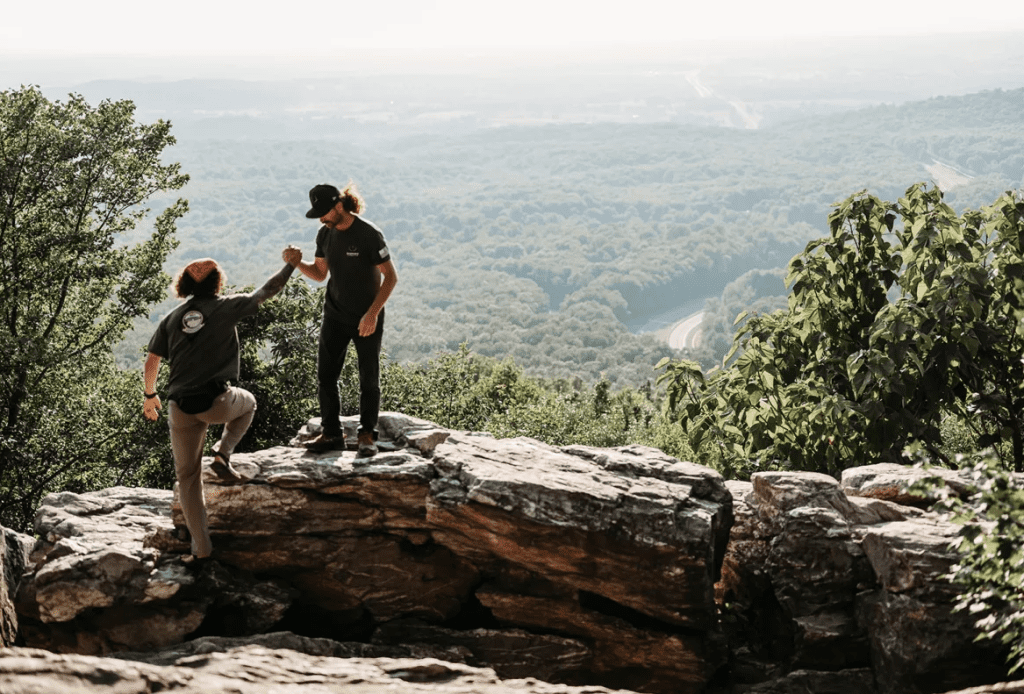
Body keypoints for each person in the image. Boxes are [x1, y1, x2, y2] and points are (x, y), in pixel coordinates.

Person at [143, 257, 296, 560]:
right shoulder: (225, 307)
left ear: (185, 284)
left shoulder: (172, 319)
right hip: (216, 403)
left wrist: (150, 395)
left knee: (188, 478)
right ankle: (223, 455)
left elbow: (152, 361)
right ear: (217, 281)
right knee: (249, 403)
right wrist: (290, 265)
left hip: (179, 406)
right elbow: (267, 290)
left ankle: (201, 550)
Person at [283, 181, 398, 457]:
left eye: (324, 212)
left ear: (339, 206)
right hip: (335, 314)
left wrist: (372, 314)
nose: (321, 219)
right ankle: (332, 433)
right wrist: (295, 262)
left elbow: (390, 277)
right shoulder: (325, 234)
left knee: (368, 378)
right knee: (326, 376)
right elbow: (320, 273)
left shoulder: (369, 234)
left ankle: (367, 435)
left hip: (366, 318)